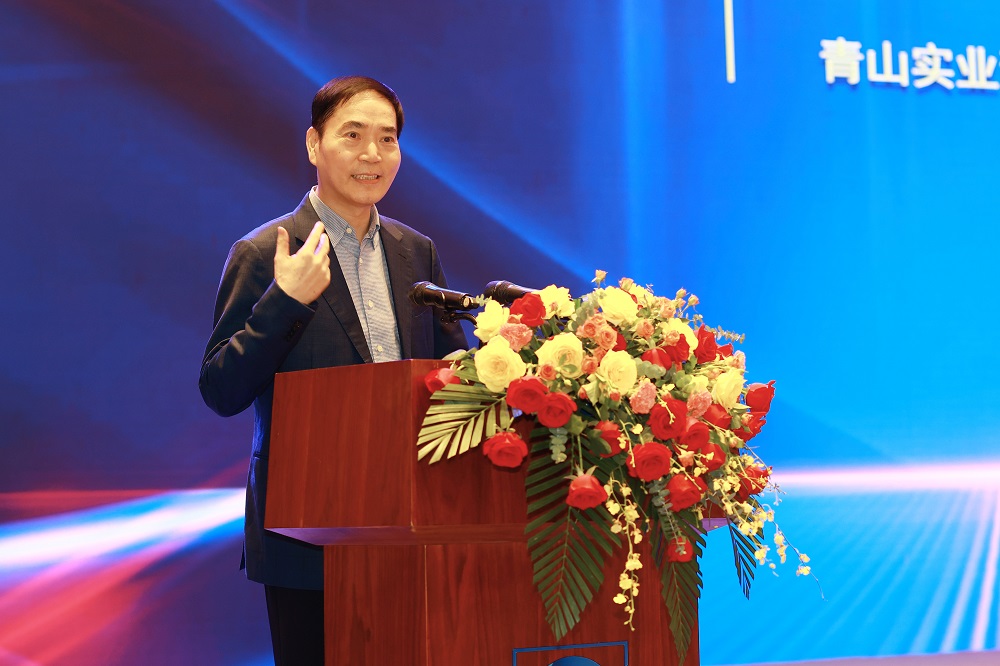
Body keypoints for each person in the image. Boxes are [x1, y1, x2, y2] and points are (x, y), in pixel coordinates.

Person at [199, 75, 467, 665]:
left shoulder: (416, 251)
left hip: (416, 526)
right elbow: (220, 387)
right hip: (308, 533)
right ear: (313, 144)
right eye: (353, 135)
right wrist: (284, 302)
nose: (373, 154)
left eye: (387, 139)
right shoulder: (266, 252)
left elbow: (450, 375)